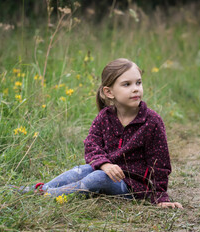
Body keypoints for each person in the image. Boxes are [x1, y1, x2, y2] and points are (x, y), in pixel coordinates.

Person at [13, 58, 182, 209]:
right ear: (109, 92)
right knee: (81, 170)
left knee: (98, 178)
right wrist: (105, 164)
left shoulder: (151, 121)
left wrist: (160, 196)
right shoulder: (104, 117)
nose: (135, 89)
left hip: (134, 186)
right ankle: (40, 189)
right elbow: (91, 145)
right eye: (127, 84)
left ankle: (51, 196)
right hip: (107, 170)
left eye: (138, 83)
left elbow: (160, 162)